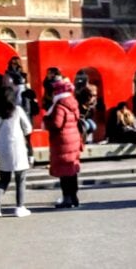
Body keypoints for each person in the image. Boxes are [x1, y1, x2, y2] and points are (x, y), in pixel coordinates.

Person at [0, 84, 33, 218]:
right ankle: (20, 207)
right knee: (20, 178)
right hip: (18, 148)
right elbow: (28, 128)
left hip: (1, 148)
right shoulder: (17, 110)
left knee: (4, 178)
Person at [44, 78, 82, 208]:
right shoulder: (73, 103)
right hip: (74, 139)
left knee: (64, 172)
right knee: (72, 170)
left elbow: (56, 124)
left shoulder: (60, 105)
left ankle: (67, 198)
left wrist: (46, 120)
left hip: (63, 141)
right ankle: (74, 197)